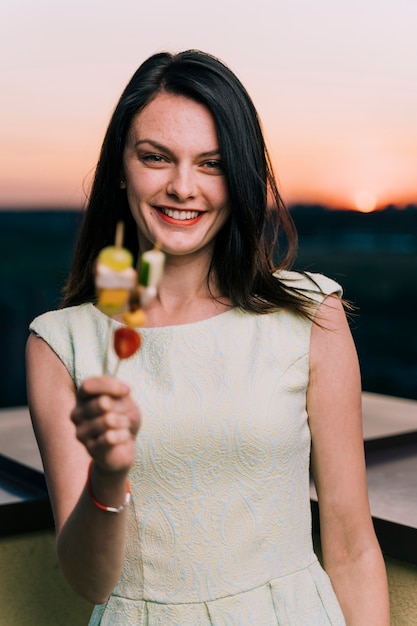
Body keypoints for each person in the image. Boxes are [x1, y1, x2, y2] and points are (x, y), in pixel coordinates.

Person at [26, 50, 390, 625]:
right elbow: (89, 581)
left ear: (240, 175)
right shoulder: (61, 344)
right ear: (121, 168)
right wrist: (110, 472)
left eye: (212, 163)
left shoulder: (311, 316)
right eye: (155, 157)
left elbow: (352, 547)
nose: (182, 187)